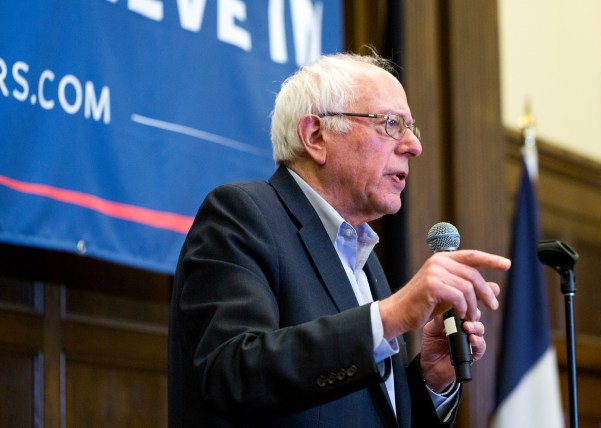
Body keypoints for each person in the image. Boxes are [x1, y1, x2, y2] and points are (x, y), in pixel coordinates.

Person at [168, 51, 511, 427]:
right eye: (391, 124)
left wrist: (432, 378)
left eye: (412, 128)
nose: (414, 145)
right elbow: (231, 373)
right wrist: (389, 317)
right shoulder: (243, 214)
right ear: (315, 136)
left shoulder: (364, 257)